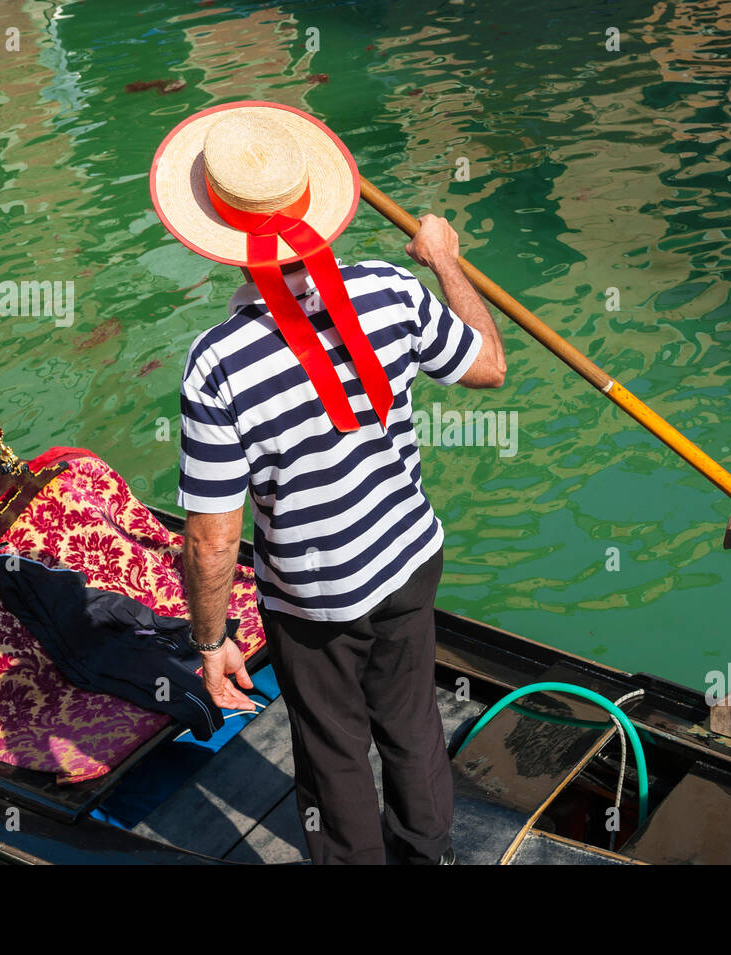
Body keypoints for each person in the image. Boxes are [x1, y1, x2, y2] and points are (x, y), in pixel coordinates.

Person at [148, 101, 505, 864]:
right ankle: (429, 853)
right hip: (410, 557)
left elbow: (213, 541)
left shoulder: (217, 361)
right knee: (411, 721)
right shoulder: (391, 289)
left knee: (333, 750)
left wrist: (209, 642)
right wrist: (445, 257)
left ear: (222, 234)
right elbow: (489, 365)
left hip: (316, 598)